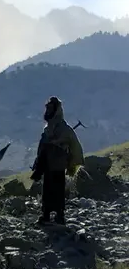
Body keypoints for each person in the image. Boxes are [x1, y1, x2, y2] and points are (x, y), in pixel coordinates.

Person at [31, 96, 84, 225]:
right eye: (47, 108)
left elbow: (75, 146)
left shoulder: (65, 129)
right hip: (47, 164)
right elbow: (42, 147)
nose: (48, 111)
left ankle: (60, 215)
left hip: (58, 165)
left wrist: (72, 163)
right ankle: (46, 214)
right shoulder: (47, 128)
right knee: (47, 189)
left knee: (58, 189)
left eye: (50, 108)